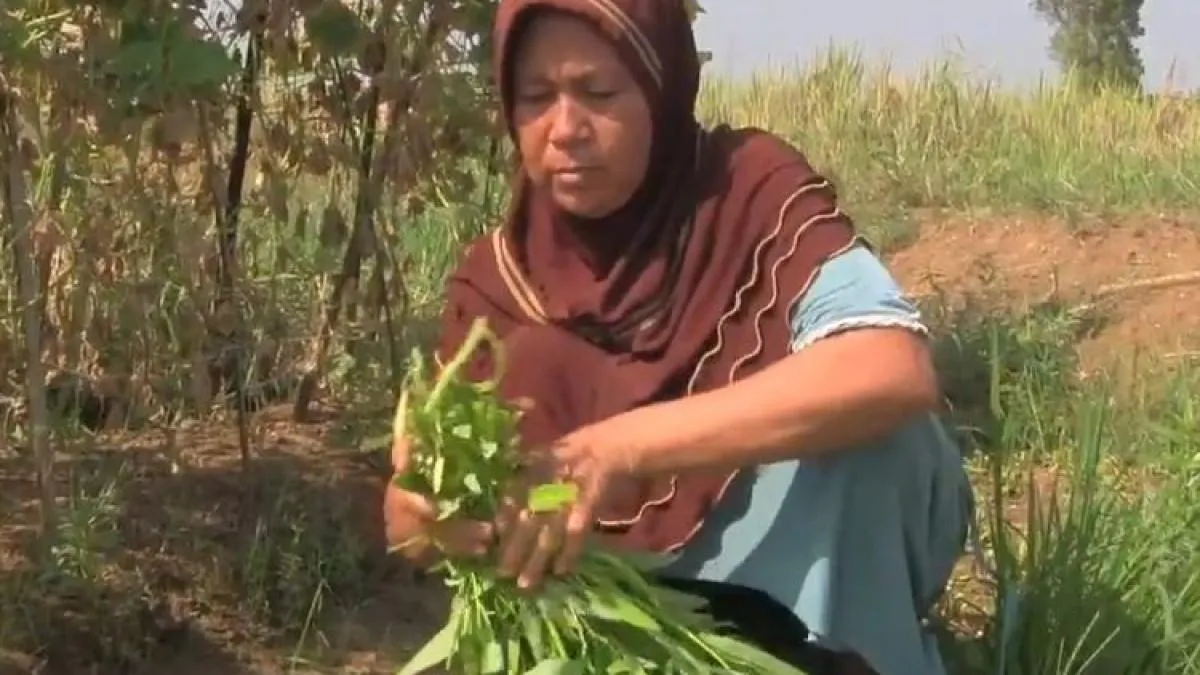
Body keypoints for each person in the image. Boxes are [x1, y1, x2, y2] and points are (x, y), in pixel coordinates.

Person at [382, 0, 974, 673]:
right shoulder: (496, 283)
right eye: (537, 97)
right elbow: (414, 523)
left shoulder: (746, 190)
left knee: (882, 441)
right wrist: (425, 518)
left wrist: (616, 450)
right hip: (617, 607)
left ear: (660, 88)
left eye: (599, 93)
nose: (566, 129)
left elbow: (890, 366)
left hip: (785, 541)